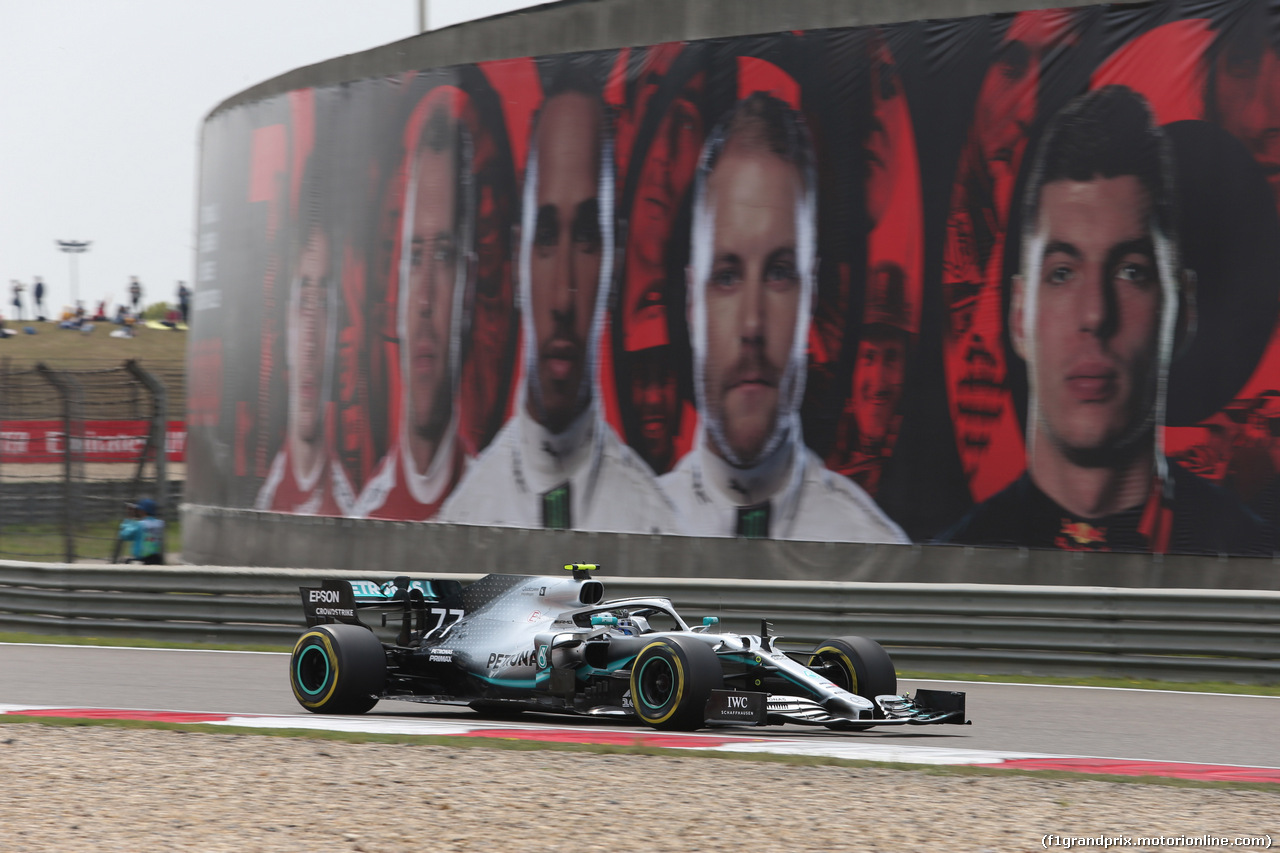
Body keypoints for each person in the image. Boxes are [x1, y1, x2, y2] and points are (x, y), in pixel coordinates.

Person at [940, 85, 1269, 555]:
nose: (1095, 313)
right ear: (1017, 315)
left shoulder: (1253, 559)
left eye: (1131, 271)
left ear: (1182, 311)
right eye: (1061, 274)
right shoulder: (956, 563)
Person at [658, 92, 908, 543]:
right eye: (727, 276)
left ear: (810, 294)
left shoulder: (874, 556)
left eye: (778, 274)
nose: (752, 324)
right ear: (692, 301)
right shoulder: (623, 530)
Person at [439, 72, 680, 534]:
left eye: (587, 238)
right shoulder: (462, 521)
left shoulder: (658, 526)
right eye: (546, 238)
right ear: (517, 257)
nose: (564, 292)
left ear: (615, 259)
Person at [355, 89, 473, 521]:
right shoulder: (365, 517)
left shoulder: (490, 505)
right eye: (413, 257)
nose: (424, 301)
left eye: (443, 256)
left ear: (469, 280)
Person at [255, 141, 353, 516]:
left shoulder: (353, 505)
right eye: (304, 297)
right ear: (285, 315)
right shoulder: (267, 504)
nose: (311, 337)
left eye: (325, 301)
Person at [827, 261, 914, 496]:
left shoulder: (920, 467)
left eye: (891, 357)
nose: (878, 379)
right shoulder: (820, 453)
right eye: (868, 356)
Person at [118, 498, 165, 564]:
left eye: (139, 509)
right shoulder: (160, 524)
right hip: (156, 559)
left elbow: (124, 535)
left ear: (143, 511)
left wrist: (129, 518)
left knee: (126, 563)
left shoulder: (139, 524)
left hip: (142, 560)